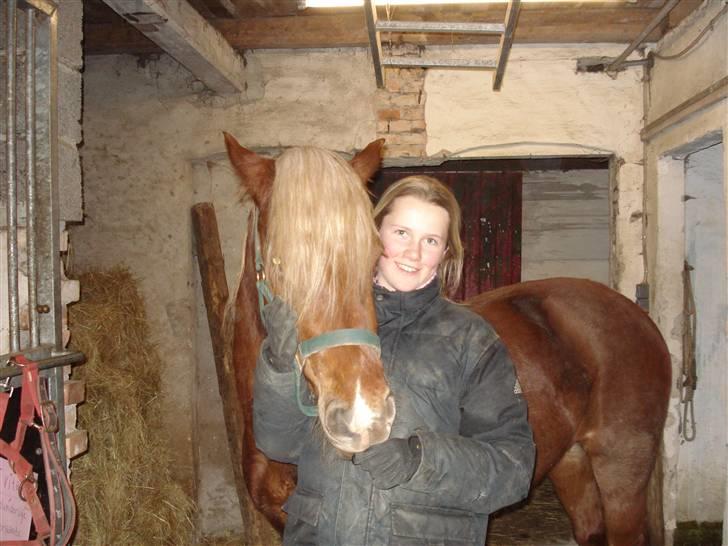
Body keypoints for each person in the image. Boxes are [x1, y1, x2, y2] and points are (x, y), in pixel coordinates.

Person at [253, 175, 535, 545]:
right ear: (373, 235)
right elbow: (279, 443)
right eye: (401, 233)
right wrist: (277, 363)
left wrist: (420, 460)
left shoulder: (472, 340)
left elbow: (513, 470)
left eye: (430, 240)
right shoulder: (325, 320)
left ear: (445, 253)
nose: (413, 253)